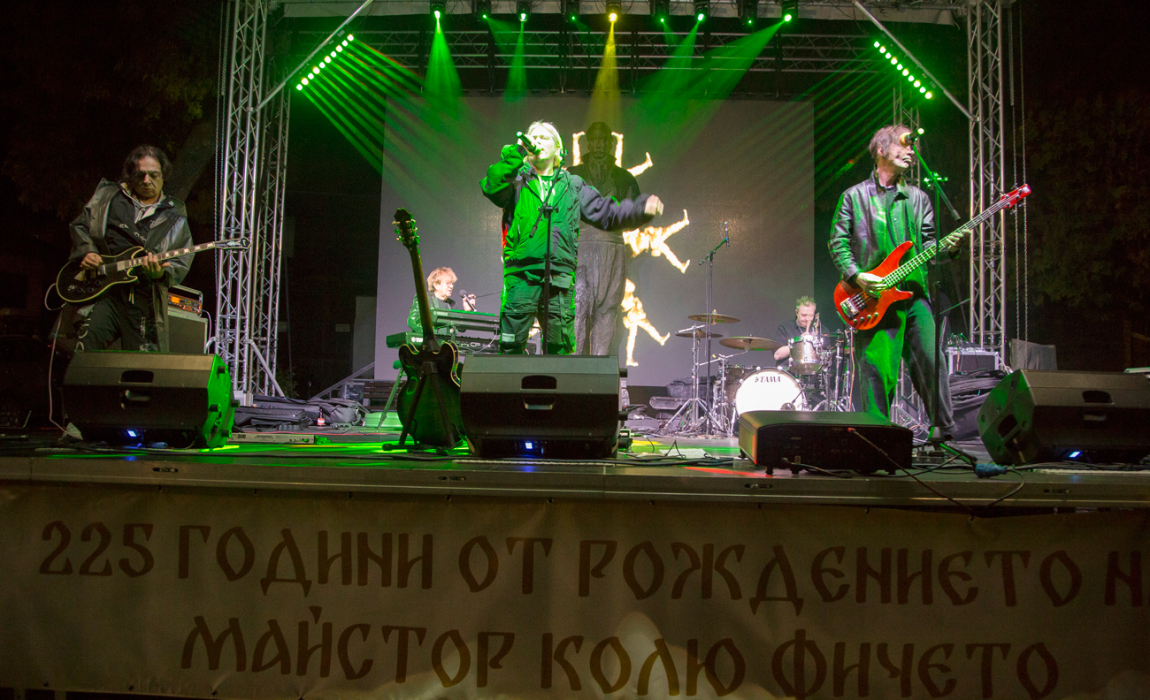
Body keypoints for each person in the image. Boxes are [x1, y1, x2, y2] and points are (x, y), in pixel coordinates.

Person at [481, 121, 663, 355]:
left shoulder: (572, 185)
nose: (537, 141)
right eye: (533, 137)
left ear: (558, 148)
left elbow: (605, 211)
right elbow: (492, 186)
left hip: (559, 280)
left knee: (560, 352)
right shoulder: (516, 182)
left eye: (544, 138)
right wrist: (516, 152)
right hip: (522, 276)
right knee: (511, 346)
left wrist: (639, 209)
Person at [828, 124, 956, 435]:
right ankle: (878, 435)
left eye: (913, 147)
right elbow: (837, 242)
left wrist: (949, 249)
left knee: (932, 362)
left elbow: (928, 245)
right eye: (904, 144)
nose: (911, 151)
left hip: (914, 295)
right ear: (881, 150)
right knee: (876, 370)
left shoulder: (918, 198)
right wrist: (858, 276)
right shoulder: (854, 196)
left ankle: (943, 431)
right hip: (873, 297)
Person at [70, 145, 192, 352]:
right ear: (130, 175)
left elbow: (180, 261)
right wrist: (88, 250)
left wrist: (160, 273)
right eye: (140, 174)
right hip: (104, 293)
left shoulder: (175, 214)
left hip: (143, 300)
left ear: (163, 176)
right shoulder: (107, 196)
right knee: (84, 352)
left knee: (141, 366)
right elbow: (81, 226)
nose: (146, 180)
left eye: (153, 175)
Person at [567, 122, 642, 356]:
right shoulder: (573, 175)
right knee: (577, 308)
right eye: (594, 139)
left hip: (612, 247)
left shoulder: (624, 177)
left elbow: (635, 216)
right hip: (580, 247)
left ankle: (599, 367)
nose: (598, 144)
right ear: (588, 143)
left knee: (608, 309)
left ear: (609, 143)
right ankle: (573, 368)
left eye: (603, 140)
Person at [407, 266, 476, 336]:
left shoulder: (452, 304)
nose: (451, 286)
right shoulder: (424, 298)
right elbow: (412, 320)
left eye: (452, 283)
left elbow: (462, 328)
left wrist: (467, 311)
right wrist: (431, 335)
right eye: (447, 283)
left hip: (446, 342)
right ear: (436, 285)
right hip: (428, 341)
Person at [774, 296, 819, 367]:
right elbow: (777, 355)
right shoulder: (785, 328)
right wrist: (798, 343)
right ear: (797, 312)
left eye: (811, 315)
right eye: (804, 315)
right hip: (789, 371)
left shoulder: (820, 330)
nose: (807, 319)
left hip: (814, 371)